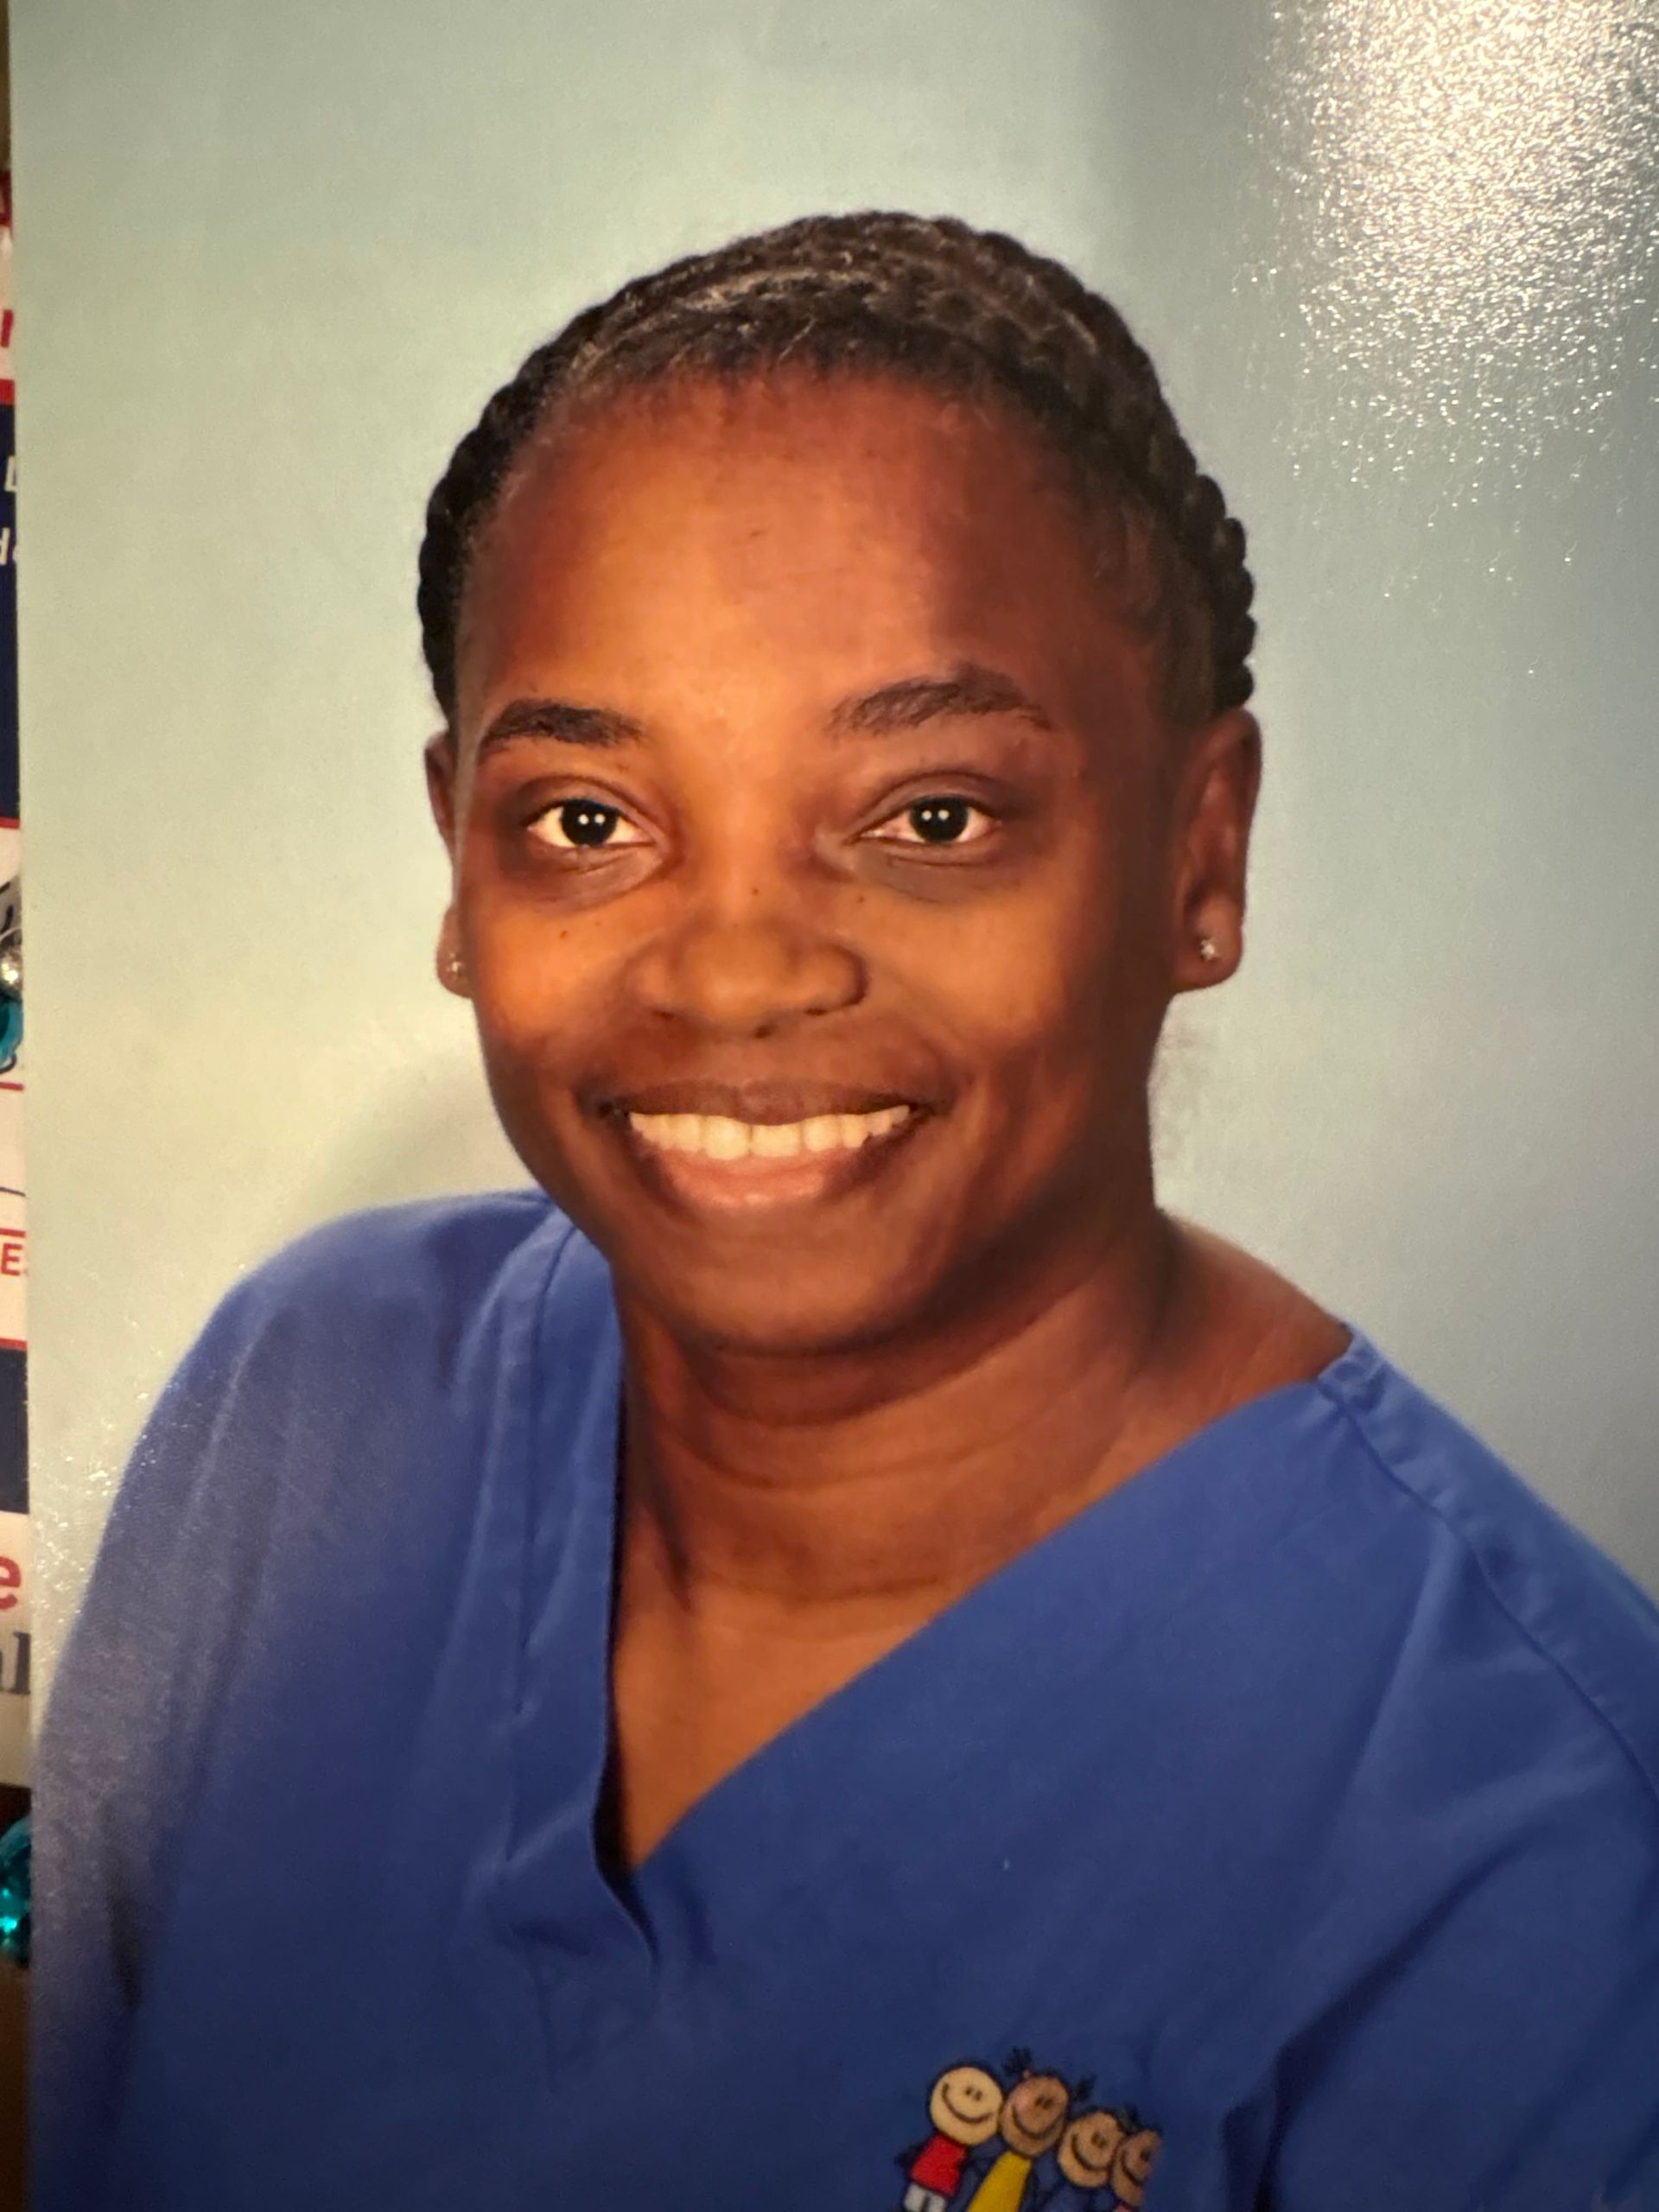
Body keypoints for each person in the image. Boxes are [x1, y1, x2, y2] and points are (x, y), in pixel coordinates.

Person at [34, 212, 1659, 2210]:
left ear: (1198, 857)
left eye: (933, 818)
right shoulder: (311, 1396)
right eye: (588, 822)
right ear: (461, 866)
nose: (735, 972)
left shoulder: (1538, 1849)